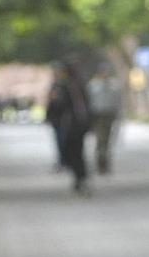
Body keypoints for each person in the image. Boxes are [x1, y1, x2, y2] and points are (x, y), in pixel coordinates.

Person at [47, 58, 92, 194]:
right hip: (71, 125)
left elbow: (61, 105)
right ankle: (79, 177)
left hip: (73, 125)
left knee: (74, 152)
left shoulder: (68, 86)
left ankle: (80, 178)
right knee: (73, 152)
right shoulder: (69, 85)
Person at [85, 63, 122, 174]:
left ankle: (106, 164)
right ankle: (100, 164)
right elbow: (89, 102)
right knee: (100, 140)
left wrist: (119, 116)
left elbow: (117, 102)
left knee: (107, 141)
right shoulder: (93, 85)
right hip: (97, 116)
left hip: (109, 115)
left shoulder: (114, 85)